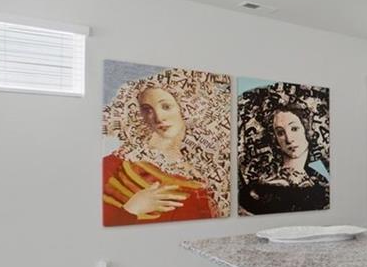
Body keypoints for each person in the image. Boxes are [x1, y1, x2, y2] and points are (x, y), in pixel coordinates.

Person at [102, 80, 222, 225]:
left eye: (166, 106)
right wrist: (132, 208)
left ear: (186, 107)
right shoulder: (115, 164)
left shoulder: (208, 170)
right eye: (147, 109)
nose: (158, 118)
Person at [239, 103, 329, 214]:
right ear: (275, 138)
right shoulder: (263, 180)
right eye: (280, 133)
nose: (289, 139)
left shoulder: (324, 171)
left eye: (294, 129)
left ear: (306, 129)